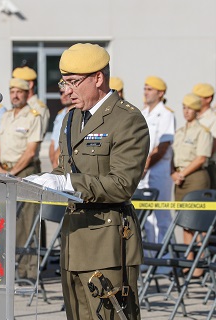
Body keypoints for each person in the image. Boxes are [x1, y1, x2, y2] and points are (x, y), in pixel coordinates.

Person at [27, 43, 150, 320]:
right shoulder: (71, 118)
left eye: (73, 82)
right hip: (74, 238)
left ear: (98, 78)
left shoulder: (126, 119)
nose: (66, 90)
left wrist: (66, 183)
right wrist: (40, 181)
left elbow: (121, 184)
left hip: (107, 240)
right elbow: (65, 170)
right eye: (64, 82)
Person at [0, 78, 43, 281]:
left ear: (26, 94)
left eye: (19, 92)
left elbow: (30, 151)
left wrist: (13, 171)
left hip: (24, 171)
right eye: (12, 91)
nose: (15, 95)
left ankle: (28, 272)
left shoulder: (33, 116)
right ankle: (8, 268)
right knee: (5, 223)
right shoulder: (6, 116)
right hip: (4, 171)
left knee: (27, 223)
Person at [171, 93, 211, 278]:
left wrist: (182, 173)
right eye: (184, 108)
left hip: (195, 177)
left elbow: (201, 157)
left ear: (196, 111)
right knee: (186, 223)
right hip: (180, 178)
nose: (186, 112)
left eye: (190, 109)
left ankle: (200, 264)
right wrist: (174, 173)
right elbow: (174, 156)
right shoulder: (180, 132)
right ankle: (188, 263)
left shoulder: (202, 131)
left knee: (199, 223)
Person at [139, 76, 175, 244]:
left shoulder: (166, 114)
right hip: (143, 171)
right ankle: (150, 256)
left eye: (150, 89)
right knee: (147, 218)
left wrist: (145, 166)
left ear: (160, 93)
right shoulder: (143, 114)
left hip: (159, 171)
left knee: (162, 216)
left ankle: (166, 258)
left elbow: (162, 147)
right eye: (145, 88)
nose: (146, 92)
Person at [192, 83, 216, 191]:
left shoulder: (215, 119)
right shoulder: (193, 117)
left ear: (208, 99)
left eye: (198, 98)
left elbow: (211, 148)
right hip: (190, 166)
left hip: (206, 166)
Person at [12, 66, 50, 136]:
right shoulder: (18, 105)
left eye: (19, 84)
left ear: (30, 84)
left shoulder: (39, 108)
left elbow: (37, 137)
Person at [49, 87, 75, 168]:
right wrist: (53, 161)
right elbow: (53, 142)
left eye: (66, 93)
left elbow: (66, 142)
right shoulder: (60, 114)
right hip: (56, 164)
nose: (63, 96)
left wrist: (57, 160)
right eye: (61, 93)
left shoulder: (78, 114)